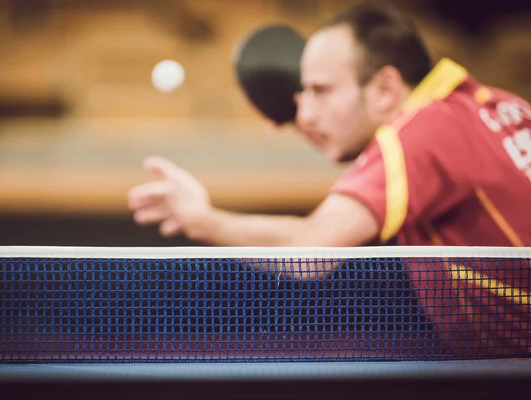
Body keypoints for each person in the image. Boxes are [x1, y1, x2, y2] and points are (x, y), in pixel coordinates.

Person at [129, 3, 530, 354]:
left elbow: (309, 248)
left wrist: (202, 218)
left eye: (321, 91)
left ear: (386, 87)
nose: (305, 114)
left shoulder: (421, 135)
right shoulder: (498, 104)